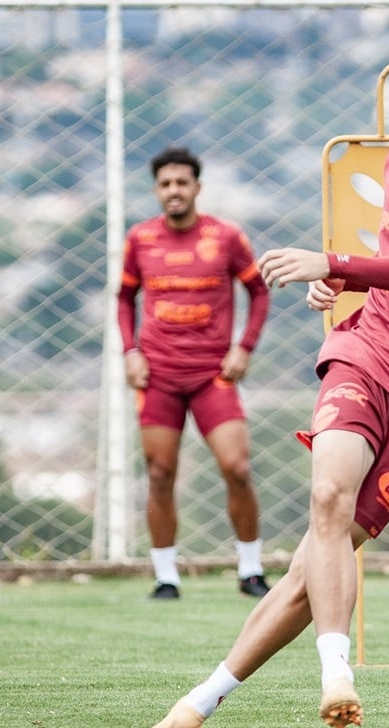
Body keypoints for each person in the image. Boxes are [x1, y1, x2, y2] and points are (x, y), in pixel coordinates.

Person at [136, 22, 389, 728]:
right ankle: (336, 674)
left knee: (312, 564)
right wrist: (342, 291)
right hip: (364, 350)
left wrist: (334, 264)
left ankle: (198, 703)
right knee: (325, 497)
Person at [117, 146, 272, 601]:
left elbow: (259, 293)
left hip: (212, 376)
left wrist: (244, 348)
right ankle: (166, 576)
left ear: (197, 188)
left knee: (237, 468)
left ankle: (250, 569)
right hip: (158, 376)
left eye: (182, 183)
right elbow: (123, 298)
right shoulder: (140, 239)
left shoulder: (226, 237)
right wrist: (131, 351)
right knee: (160, 473)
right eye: (165, 184)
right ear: (156, 190)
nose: (174, 191)